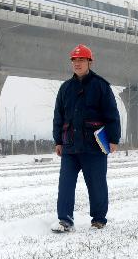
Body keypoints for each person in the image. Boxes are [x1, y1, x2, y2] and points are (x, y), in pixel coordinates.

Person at [51, 44, 121, 232]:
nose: (77, 63)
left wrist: (113, 139)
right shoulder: (65, 88)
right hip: (70, 146)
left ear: (89, 61)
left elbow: (112, 114)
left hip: (94, 145)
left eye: (81, 59)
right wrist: (58, 140)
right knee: (65, 184)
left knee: (97, 183)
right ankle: (65, 220)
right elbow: (59, 116)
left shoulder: (101, 86)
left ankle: (98, 219)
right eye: (74, 60)